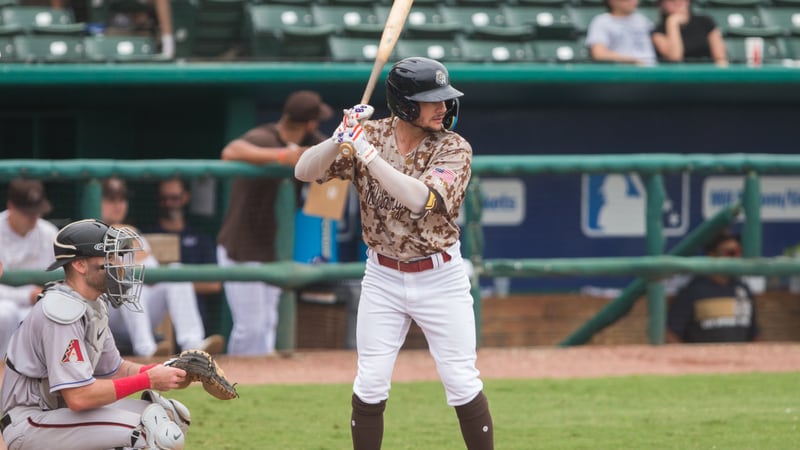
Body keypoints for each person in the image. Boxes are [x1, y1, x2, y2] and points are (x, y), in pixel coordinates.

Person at [295, 57, 494, 450]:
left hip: (440, 275)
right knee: (370, 380)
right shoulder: (369, 134)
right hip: (383, 275)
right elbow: (304, 170)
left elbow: (421, 199)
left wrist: (367, 154)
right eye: (431, 100)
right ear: (404, 104)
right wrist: (339, 137)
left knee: (460, 379)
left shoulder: (454, 147)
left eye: (444, 98)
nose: (443, 107)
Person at [0, 218, 190, 449]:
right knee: (155, 431)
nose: (118, 264)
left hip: (58, 414)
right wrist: (148, 380)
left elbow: (115, 370)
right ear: (80, 265)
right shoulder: (60, 312)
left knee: (167, 416)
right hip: (31, 422)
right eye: (109, 257)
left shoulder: (92, 305)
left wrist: (170, 369)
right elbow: (79, 397)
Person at [217, 90, 333, 356]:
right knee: (251, 327)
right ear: (310, 121)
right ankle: (238, 379)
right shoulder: (264, 136)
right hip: (241, 246)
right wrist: (282, 156)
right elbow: (230, 151)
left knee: (268, 322)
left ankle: (260, 382)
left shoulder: (311, 139)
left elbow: (334, 153)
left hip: (272, 245)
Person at [101, 177, 224, 357]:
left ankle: (193, 343)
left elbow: (151, 273)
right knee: (127, 278)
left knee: (175, 270)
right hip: (108, 319)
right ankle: (147, 350)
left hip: (139, 312)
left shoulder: (133, 232)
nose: (118, 205)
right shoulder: (88, 233)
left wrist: (127, 235)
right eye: (111, 199)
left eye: (122, 199)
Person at [142, 177, 222, 336]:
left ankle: (195, 344)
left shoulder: (199, 237)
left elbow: (215, 284)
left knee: (176, 276)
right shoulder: (146, 234)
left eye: (174, 198)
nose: (169, 203)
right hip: (156, 316)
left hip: (194, 314)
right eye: (164, 198)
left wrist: (178, 286)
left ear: (185, 198)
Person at [667, 229, 760, 343]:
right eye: (730, 253)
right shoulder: (693, 291)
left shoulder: (743, 288)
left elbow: (755, 335)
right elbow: (670, 334)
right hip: (706, 358)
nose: (736, 258)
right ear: (712, 256)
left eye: (738, 252)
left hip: (740, 358)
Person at [0, 178, 58, 359]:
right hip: (4, 303)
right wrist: (27, 294)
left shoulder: (48, 232)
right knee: (6, 313)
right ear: (11, 206)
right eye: (27, 213)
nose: (33, 218)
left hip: (36, 305)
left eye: (37, 212)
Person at [651, 0, 727, 65]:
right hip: (678, 78)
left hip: (709, 75)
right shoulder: (658, 31)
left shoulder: (705, 22)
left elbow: (720, 58)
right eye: (671, 0)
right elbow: (675, 58)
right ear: (661, 4)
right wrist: (672, 23)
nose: (677, 2)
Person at [585, 0, 657, 65]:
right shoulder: (601, 21)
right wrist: (632, 60)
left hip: (654, 72)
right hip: (621, 73)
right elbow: (599, 54)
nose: (633, 1)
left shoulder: (643, 20)